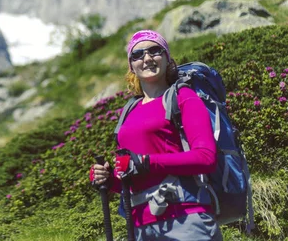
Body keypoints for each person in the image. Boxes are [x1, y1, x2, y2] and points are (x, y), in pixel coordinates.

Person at [91, 29, 223, 240]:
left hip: (186, 221)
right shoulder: (128, 112)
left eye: (155, 51)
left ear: (167, 57)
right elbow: (133, 175)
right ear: (131, 66)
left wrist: (146, 162)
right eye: (138, 54)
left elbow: (206, 157)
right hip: (141, 227)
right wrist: (110, 180)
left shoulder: (183, 97)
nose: (147, 58)